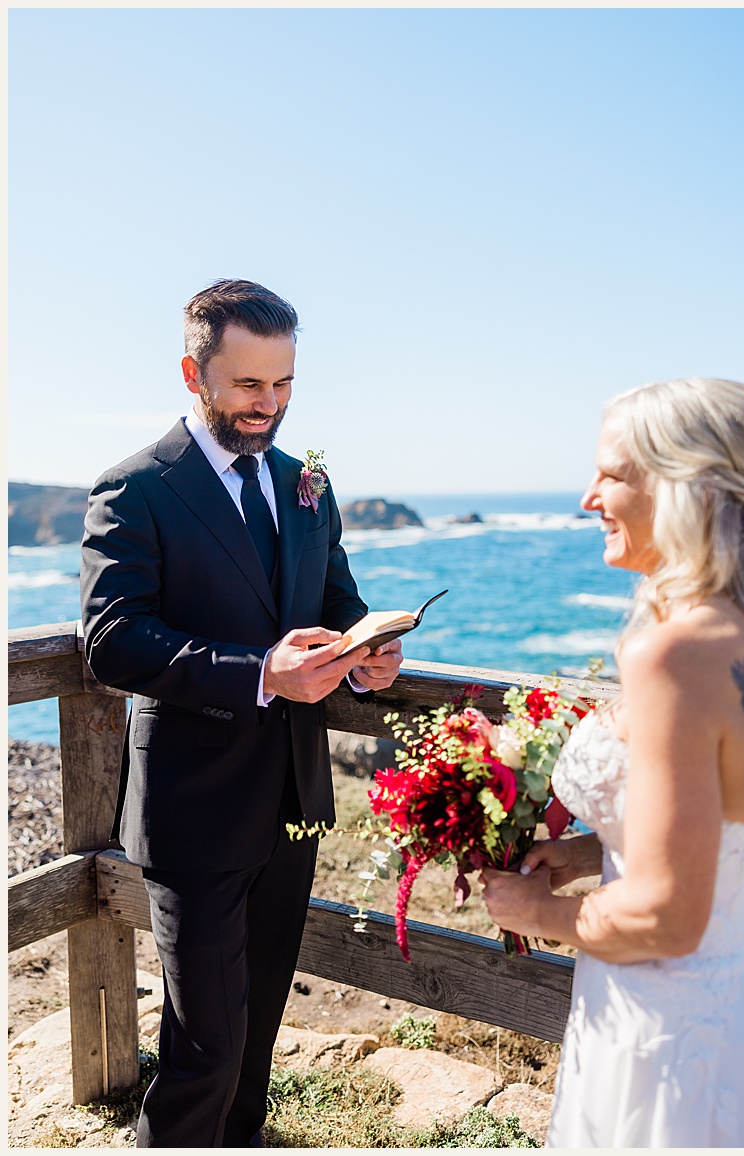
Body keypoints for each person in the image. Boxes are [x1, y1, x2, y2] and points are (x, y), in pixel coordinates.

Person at [81, 280, 404, 1147]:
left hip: (292, 801)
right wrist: (262, 672)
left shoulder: (309, 484)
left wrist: (366, 656)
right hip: (192, 808)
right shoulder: (134, 488)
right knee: (206, 1052)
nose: (269, 406)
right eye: (248, 386)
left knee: (255, 1040)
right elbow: (112, 642)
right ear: (195, 373)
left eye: (285, 384)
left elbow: (336, 601)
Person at [481, 377, 744, 1147]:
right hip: (734, 1002)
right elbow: (726, 816)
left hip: (666, 1021)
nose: (588, 497)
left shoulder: (677, 654)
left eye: (612, 473)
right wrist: (588, 851)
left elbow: (668, 919)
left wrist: (531, 910)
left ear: (688, 487)